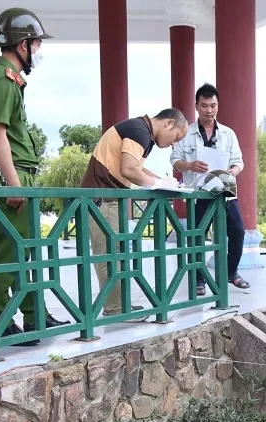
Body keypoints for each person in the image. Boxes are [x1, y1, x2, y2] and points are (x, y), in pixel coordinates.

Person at [0, 8, 68, 346]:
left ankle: (33, 315)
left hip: (19, 176)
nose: (40, 51)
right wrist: (12, 182)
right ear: (23, 44)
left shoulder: (12, 80)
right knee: (4, 256)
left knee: (25, 252)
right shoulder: (2, 80)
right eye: (38, 43)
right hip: (9, 178)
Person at [79, 109, 188, 318]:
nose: (174, 144)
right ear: (168, 123)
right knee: (108, 258)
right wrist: (158, 184)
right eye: (177, 138)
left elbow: (138, 168)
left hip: (109, 201)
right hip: (101, 201)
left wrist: (166, 182)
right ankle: (116, 310)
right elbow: (129, 170)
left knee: (116, 256)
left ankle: (120, 307)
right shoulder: (139, 131)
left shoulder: (141, 130)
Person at [171, 83, 249, 295]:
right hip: (198, 192)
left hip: (225, 189)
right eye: (204, 105)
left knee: (238, 230)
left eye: (213, 105)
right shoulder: (186, 133)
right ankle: (199, 280)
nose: (209, 110)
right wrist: (190, 165)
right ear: (196, 106)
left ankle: (231, 272)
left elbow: (239, 161)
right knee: (197, 236)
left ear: (218, 106)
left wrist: (232, 170)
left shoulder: (228, 134)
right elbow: (175, 160)